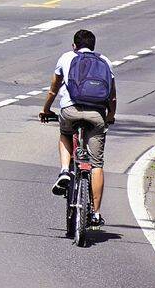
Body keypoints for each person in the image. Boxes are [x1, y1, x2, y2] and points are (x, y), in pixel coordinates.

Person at [39, 29, 116, 227]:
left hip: (70, 110)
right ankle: (96, 214)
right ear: (93, 46)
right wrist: (109, 117)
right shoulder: (105, 61)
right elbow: (112, 96)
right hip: (96, 114)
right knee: (97, 164)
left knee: (65, 133)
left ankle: (65, 170)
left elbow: (53, 89)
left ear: (74, 45)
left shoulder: (66, 57)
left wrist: (46, 110)